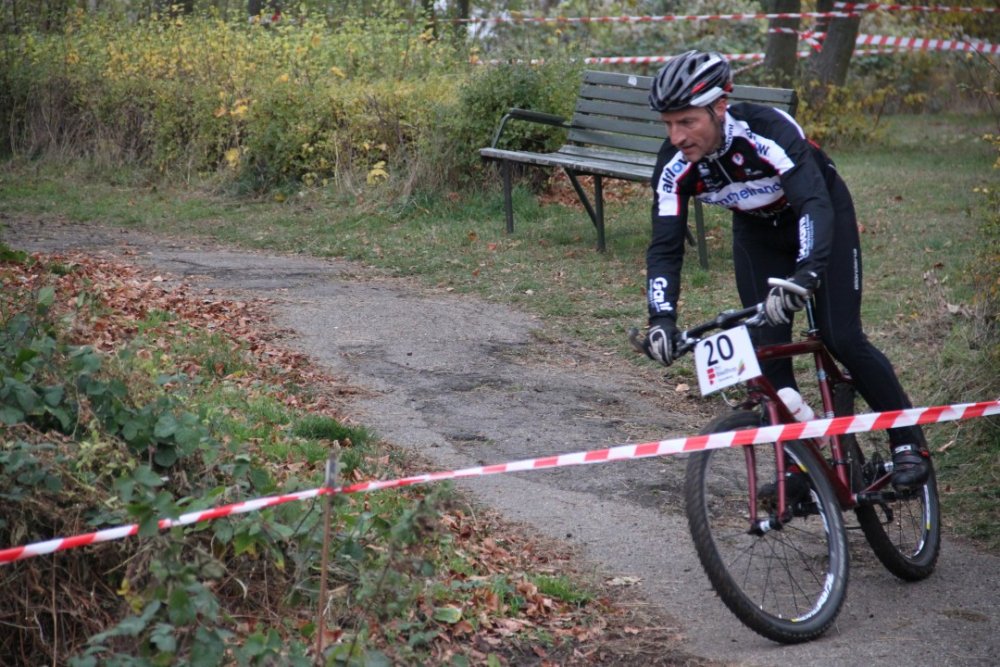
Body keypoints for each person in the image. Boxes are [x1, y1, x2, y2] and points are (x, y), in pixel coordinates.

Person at [640, 50, 930, 492]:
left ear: (720, 107)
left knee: (841, 336)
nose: (676, 136)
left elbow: (813, 201)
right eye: (668, 124)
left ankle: (907, 441)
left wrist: (806, 274)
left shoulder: (766, 129)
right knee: (767, 347)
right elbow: (664, 246)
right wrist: (661, 317)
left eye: (687, 122)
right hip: (757, 231)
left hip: (819, 213)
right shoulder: (674, 165)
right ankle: (800, 467)